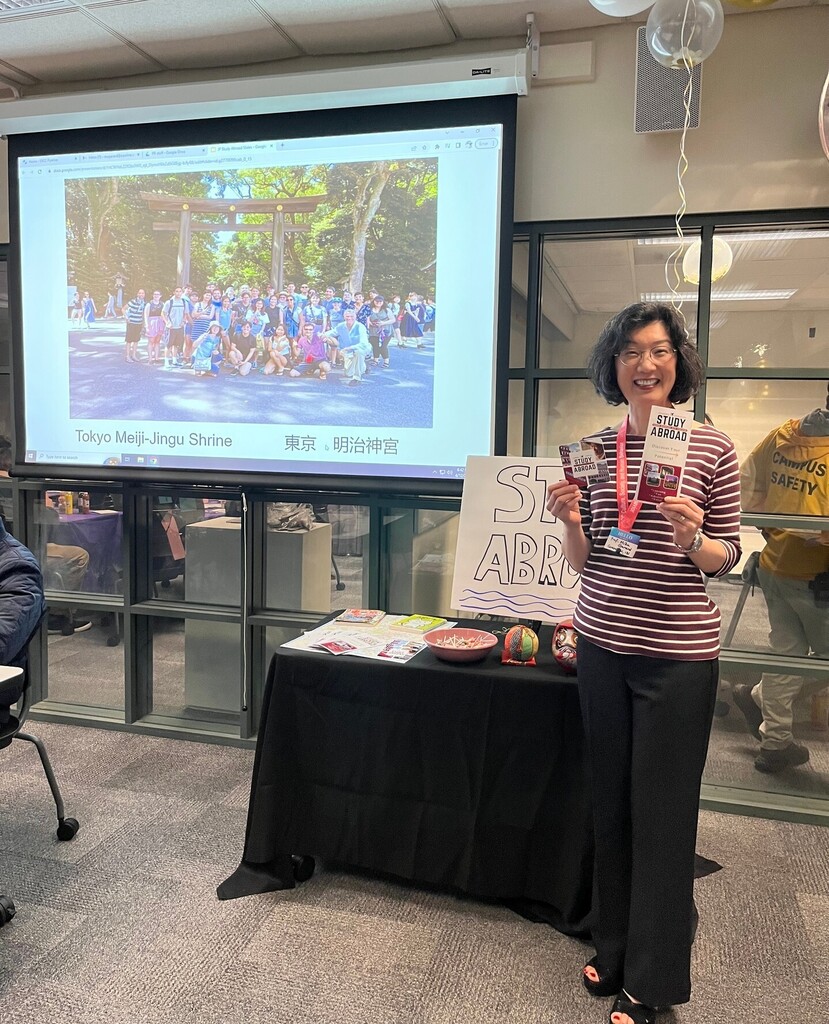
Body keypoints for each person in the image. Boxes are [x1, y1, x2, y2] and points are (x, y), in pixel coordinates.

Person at [545, 302, 741, 1024]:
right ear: (612, 366)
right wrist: (568, 522)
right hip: (600, 645)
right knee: (611, 804)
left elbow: (726, 558)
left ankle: (653, 983)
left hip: (675, 660)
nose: (645, 365)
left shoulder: (711, 449)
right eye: (629, 352)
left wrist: (693, 538)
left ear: (678, 362)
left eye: (657, 351)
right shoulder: (593, 449)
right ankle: (615, 942)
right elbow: (586, 560)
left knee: (662, 818)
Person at [734, 384, 829, 773]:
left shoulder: (782, 435)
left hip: (775, 566)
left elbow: (746, 485)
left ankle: (774, 738)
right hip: (817, 577)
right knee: (818, 661)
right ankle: (761, 700)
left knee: (786, 652)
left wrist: (770, 528)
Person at [0, 445, 90, 636]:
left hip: (19, 546)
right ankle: (55, 614)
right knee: (79, 555)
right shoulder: (16, 483)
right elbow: (49, 518)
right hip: (27, 546)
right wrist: (41, 501)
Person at [324, 308, 372, 386]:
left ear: (355, 317)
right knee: (348, 373)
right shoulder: (341, 326)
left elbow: (363, 343)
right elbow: (332, 332)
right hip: (348, 352)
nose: (349, 318)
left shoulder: (360, 326)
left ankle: (357, 378)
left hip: (361, 348)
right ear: (344, 317)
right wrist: (322, 335)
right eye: (347, 316)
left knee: (358, 353)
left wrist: (350, 348)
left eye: (351, 316)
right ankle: (363, 366)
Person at [122, 288, 146, 362]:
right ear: (137, 294)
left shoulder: (144, 303)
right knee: (129, 340)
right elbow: (123, 309)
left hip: (139, 323)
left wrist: (143, 324)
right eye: (140, 293)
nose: (141, 294)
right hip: (131, 323)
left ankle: (134, 355)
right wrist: (126, 317)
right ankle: (127, 356)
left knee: (136, 340)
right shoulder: (133, 301)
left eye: (142, 293)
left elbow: (143, 314)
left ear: (144, 295)